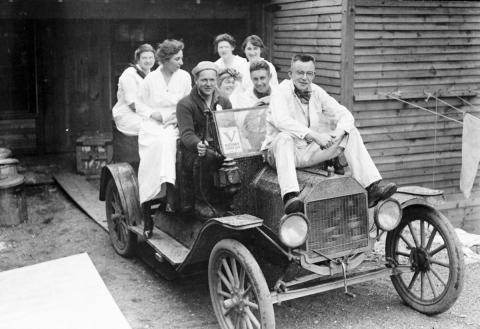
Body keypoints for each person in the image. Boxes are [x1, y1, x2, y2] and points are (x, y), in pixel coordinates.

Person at [262, 54, 397, 214]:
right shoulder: (280, 91)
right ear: (290, 74)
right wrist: (314, 135)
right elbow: (281, 121)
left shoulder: (317, 92)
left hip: (305, 152)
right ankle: (291, 197)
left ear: (314, 75)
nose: (304, 78)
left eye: (309, 73)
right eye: (300, 73)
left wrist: (338, 132)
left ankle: (370, 188)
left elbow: (346, 115)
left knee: (350, 132)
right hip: (279, 153)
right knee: (284, 137)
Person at [136, 39, 192, 212]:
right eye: (177, 59)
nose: (181, 63)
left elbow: (188, 102)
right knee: (158, 141)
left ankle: (171, 188)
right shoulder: (151, 79)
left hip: (177, 120)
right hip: (153, 123)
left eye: (181, 58)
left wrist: (177, 117)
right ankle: (154, 190)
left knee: (170, 139)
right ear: (166, 59)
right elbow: (139, 104)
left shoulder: (184, 76)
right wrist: (154, 114)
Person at [176, 61, 232, 219]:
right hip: (194, 151)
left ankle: (232, 200)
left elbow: (230, 127)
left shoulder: (224, 101)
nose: (208, 84)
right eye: (204, 80)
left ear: (216, 81)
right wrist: (197, 144)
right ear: (196, 81)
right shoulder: (185, 104)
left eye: (212, 80)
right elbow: (186, 133)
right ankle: (201, 202)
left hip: (219, 146)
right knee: (207, 156)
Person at [112, 44, 155, 136]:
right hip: (127, 116)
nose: (148, 61)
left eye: (151, 57)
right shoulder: (129, 74)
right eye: (144, 58)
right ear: (138, 59)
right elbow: (132, 104)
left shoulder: (152, 76)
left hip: (143, 115)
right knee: (157, 128)